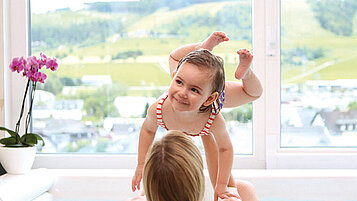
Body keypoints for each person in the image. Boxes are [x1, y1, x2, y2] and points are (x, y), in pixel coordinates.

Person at [132, 31, 263, 200]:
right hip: (193, 89)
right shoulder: (159, 108)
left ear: (209, 98)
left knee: (253, 93)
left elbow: (225, 149)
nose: (183, 93)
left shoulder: (213, 118)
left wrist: (222, 185)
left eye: (193, 90)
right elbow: (148, 131)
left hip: (208, 102)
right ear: (173, 78)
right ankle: (201, 49)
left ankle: (246, 74)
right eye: (178, 82)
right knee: (175, 61)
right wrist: (141, 164)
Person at [128, 130, 259, 201]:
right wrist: (204, 126)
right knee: (241, 188)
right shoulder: (242, 193)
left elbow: (156, 182)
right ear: (198, 178)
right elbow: (228, 188)